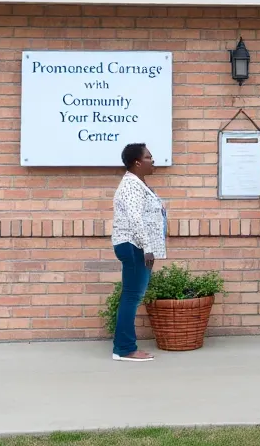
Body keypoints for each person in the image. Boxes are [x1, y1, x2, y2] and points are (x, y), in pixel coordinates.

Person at [110, 143, 166, 362]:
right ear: (137, 162)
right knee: (132, 297)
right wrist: (147, 249)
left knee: (131, 296)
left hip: (136, 246)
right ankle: (124, 349)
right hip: (135, 246)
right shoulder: (132, 185)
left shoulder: (138, 183)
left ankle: (123, 347)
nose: (153, 161)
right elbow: (135, 219)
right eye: (149, 157)